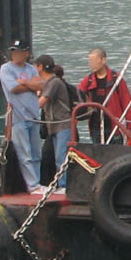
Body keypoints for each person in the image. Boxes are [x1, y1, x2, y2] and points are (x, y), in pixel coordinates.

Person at [0, 39, 47, 193]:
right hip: (18, 118)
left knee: (36, 152)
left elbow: (41, 85)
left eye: (19, 51)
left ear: (26, 53)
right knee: (24, 153)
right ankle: (32, 186)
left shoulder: (31, 69)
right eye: (13, 51)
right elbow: (13, 88)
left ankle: (38, 183)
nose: (15, 54)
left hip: (34, 116)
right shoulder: (6, 69)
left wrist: (24, 83)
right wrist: (29, 85)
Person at [77, 46, 131, 144]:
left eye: (94, 61)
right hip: (96, 127)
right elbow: (77, 95)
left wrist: (130, 126)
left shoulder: (116, 80)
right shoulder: (88, 81)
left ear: (103, 60)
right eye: (90, 61)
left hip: (114, 127)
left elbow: (127, 101)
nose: (91, 64)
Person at [35, 55, 74, 190]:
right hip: (54, 127)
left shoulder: (54, 82)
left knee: (60, 157)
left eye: (36, 66)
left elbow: (42, 102)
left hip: (62, 125)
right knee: (55, 156)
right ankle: (58, 183)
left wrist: (25, 109)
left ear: (40, 67)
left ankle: (63, 185)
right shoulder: (47, 83)